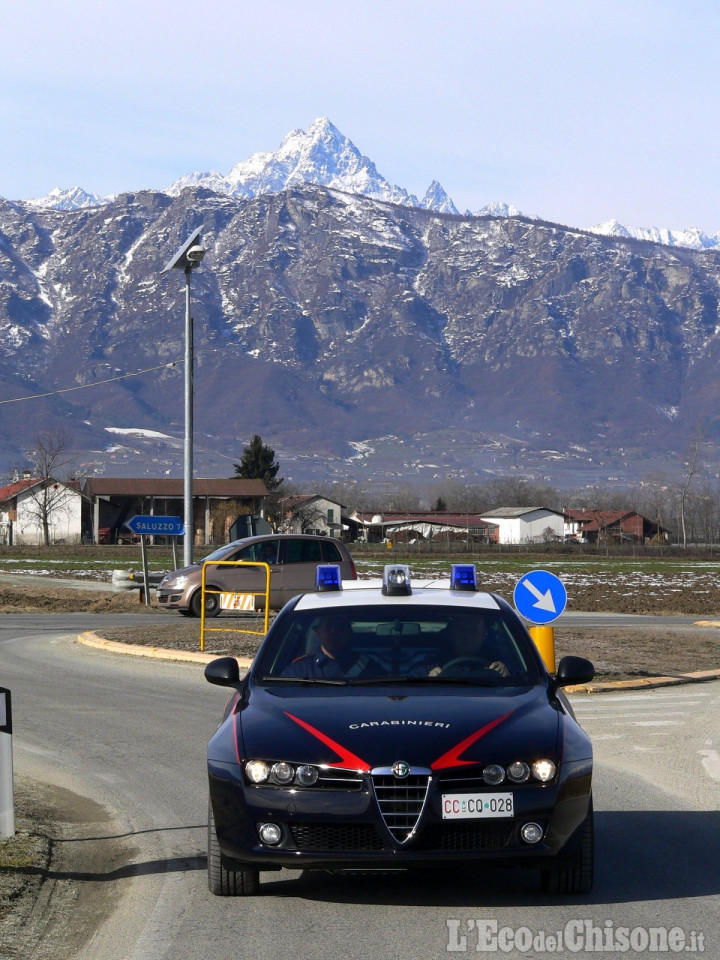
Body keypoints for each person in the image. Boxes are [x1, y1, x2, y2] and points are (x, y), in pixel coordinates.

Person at [284, 615, 377, 679]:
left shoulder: (368, 667)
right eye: (328, 627)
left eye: (339, 627)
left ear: (349, 632)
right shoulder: (299, 670)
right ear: (318, 632)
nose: (333, 632)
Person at [429, 616, 509, 677]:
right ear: (452, 633)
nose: (468, 636)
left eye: (474, 630)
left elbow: (518, 676)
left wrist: (506, 672)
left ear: (484, 633)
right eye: (462, 630)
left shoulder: (498, 658)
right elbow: (418, 676)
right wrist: (429, 676)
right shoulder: (435, 659)